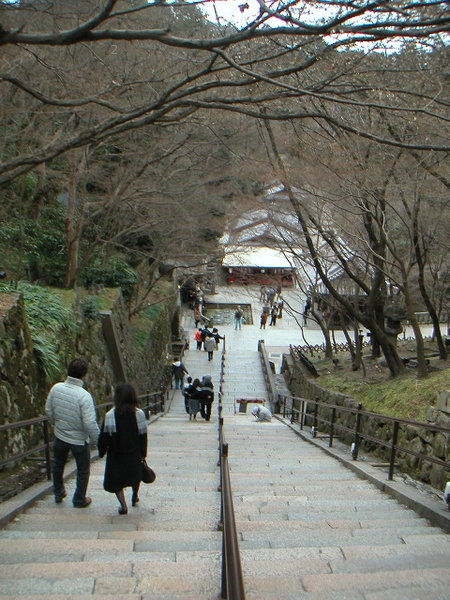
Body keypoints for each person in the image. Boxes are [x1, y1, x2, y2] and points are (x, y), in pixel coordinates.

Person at [45, 358, 100, 508]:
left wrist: (57, 424)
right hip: (79, 439)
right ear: (84, 374)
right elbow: (89, 423)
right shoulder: (84, 395)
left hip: (60, 435)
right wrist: (98, 440)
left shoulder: (56, 388)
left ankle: (58, 492)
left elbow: (48, 411)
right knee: (83, 470)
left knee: (58, 464)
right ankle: (79, 499)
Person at [98, 383, 148, 515]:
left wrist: (101, 451)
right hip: (134, 453)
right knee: (135, 475)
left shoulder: (110, 415)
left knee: (116, 480)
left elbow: (104, 437)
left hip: (116, 455)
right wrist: (143, 453)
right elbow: (143, 436)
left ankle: (123, 505)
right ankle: (135, 495)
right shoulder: (139, 414)